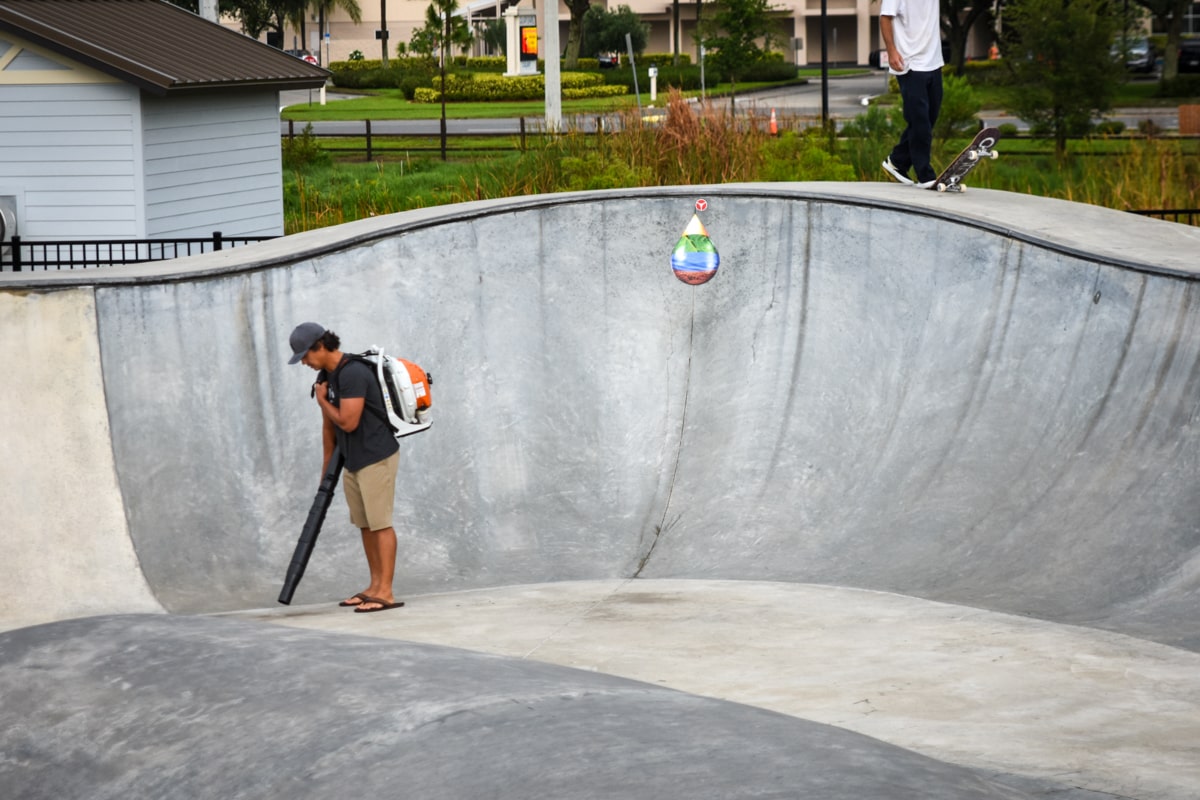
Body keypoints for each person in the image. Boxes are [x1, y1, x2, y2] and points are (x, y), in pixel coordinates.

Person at [288, 322, 404, 613]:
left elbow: (348, 421)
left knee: (380, 524)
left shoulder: (352, 373)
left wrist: (322, 401)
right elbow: (330, 429)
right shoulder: (327, 376)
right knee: (365, 525)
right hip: (353, 460)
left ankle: (386, 593)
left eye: (304, 355)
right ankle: (374, 587)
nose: (303, 362)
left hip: (375, 456)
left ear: (320, 346)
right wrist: (325, 473)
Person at [879, 0, 944, 189]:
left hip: (933, 61)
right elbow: (885, 18)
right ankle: (925, 175)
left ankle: (897, 161)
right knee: (920, 120)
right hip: (909, 64)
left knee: (929, 118)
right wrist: (891, 51)